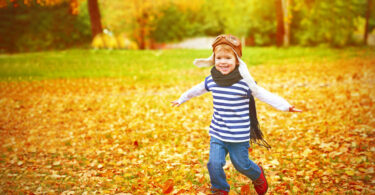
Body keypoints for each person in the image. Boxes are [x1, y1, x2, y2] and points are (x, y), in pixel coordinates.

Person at [171, 34, 301, 195]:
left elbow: (262, 94)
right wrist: (181, 98)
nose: (223, 62)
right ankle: (220, 189)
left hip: (239, 135)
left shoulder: (244, 83)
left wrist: (286, 106)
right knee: (214, 163)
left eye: (228, 57)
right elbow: (196, 90)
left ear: (237, 60)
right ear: (213, 59)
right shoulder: (212, 80)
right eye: (219, 58)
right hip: (218, 132)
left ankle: (257, 174)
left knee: (241, 164)